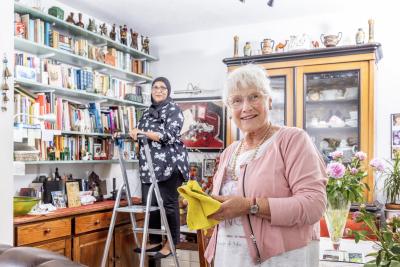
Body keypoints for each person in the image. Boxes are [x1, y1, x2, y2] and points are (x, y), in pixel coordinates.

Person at [204, 64, 327, 266]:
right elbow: (226, 208)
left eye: (254, 96)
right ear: (229, 110)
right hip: (229, 259)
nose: (246, 107)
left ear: (269, 101)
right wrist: (204, 204)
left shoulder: (292, 140)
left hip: (280, 260)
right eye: (236, 100)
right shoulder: (229, 152)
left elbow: (314, 205)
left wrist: (249, 206)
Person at [129, 77, 189, 259]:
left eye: (163, 88)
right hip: (149, 165)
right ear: (151, 90)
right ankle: (154, 240)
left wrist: (143, 133)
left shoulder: (174, 110)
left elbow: (168, 136)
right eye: (155, 87)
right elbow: (139, 133)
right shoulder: (146, 113)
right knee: (151, 205)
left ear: (168, 91)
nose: (159, 90)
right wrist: (134, 133)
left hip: (171, 164)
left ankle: (171, 244)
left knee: (168, 206)